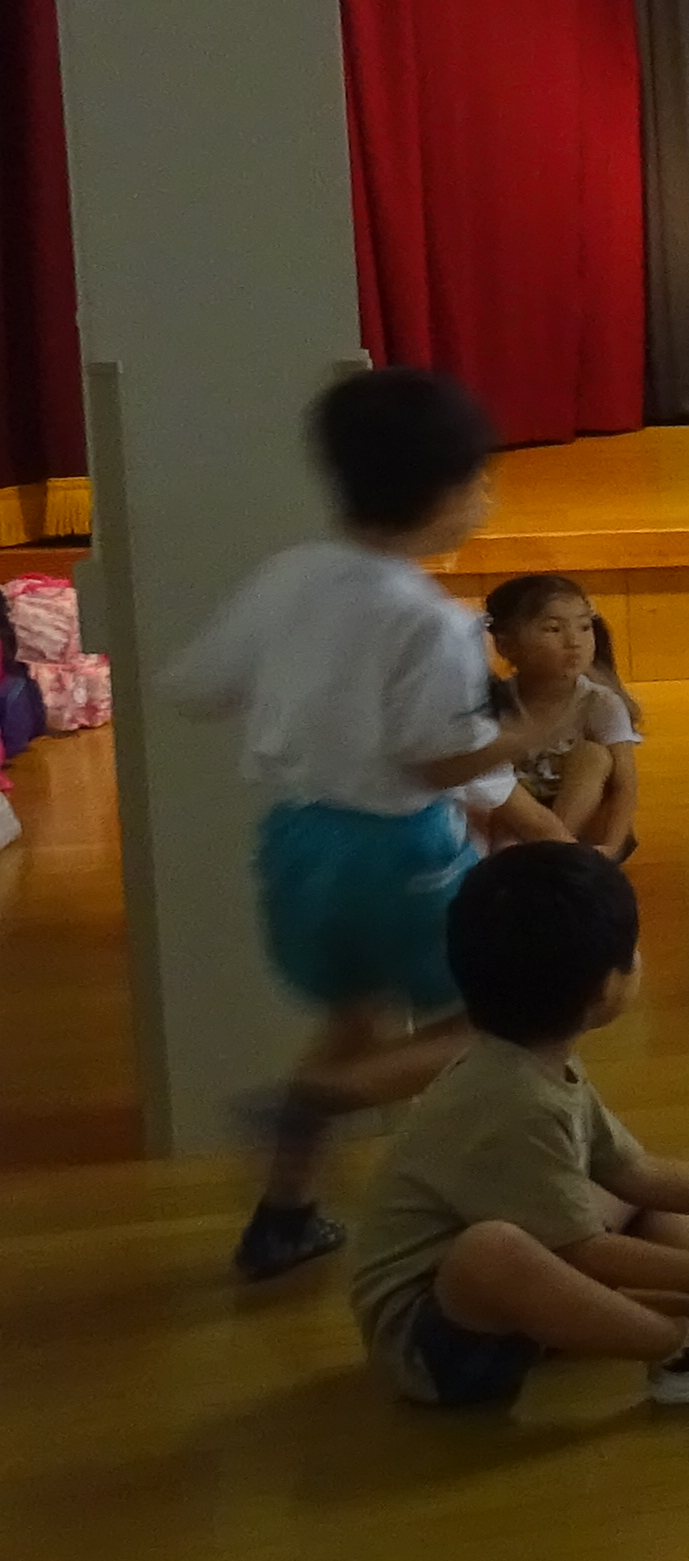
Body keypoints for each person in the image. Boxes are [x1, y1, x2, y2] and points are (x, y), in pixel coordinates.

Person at [172, 366, 571, 1278]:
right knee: (500, 1022)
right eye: (481, 478)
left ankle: (284, 1216)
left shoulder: (287, 577)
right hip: (400, 851)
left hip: (295, 844)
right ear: (442, 494)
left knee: (354, 1013)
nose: (487, 495)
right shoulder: (429, 620)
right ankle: (312, 1106)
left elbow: (196, 687)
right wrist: (528, 732)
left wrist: (311, 704)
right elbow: (434, 762)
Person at [347, 843, 689, 1409]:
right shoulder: (517, 1101)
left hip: (507, 1300)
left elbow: (636, 1173)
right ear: (604, 990)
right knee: (492, 1251)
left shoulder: (529, 1061)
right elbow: (585, 1253)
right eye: (632, 951)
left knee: (618, 1193)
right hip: (435, 1350)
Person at [480, 572, 642, 861]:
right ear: (506, 645)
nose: (574, 641)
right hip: (519, 816)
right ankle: (519, 858)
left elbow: (624, 786)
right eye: (553, 629)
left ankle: (549, 856)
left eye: (584, 627)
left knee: (594, 755)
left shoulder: (600, 703)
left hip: (583, 823)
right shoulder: (496, 703)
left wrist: (612, 847)